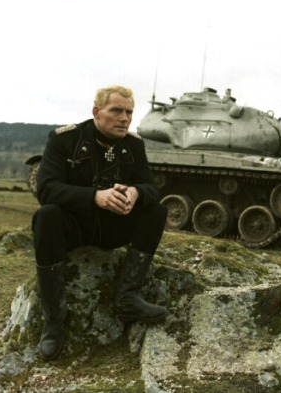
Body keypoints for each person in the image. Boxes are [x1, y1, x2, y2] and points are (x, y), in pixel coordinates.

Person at [32, 85, 168, 361]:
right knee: (46, 215)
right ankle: (54, 319)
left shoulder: (133, 145)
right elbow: (46, 189)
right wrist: (94, 197)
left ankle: (128, 298)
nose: (124, 118)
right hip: (74, 228)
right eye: (116, 111)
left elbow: (151, 188)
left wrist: (136, 192)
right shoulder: (64, 139)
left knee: (156, 211)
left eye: (129, 112)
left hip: (112, 228)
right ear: (96, 112)